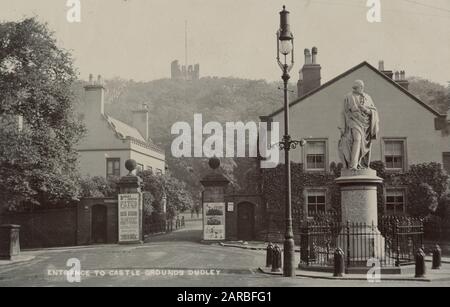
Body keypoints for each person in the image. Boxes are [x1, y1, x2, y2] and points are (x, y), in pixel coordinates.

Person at [338, 80, 379, 170]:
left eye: (356, 88)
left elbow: (374, 111)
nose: (354, 89)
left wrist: (365, 110)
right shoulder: (349, 96)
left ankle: (363, 164)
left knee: (362, 143)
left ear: (362, 87)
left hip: (366, 125)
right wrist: (342, 126)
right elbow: (343, 112)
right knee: (357, 139)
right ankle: (353, 165)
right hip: (353, 121)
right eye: (354, 88)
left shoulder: (368, 97)